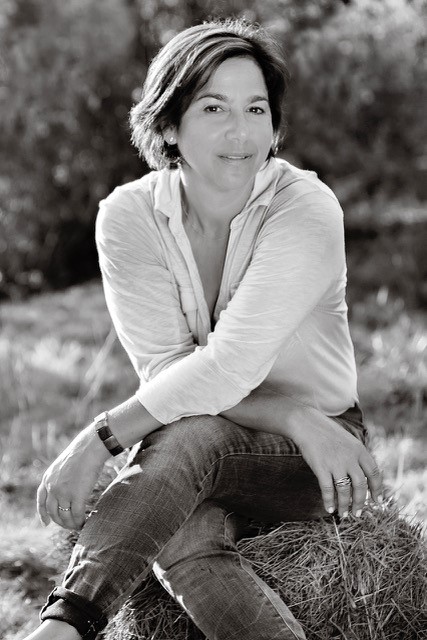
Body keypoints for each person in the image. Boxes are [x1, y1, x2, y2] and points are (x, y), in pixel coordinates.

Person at [24, 17, 382, 640]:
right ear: (168, 123)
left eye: (256, 108)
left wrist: (98, 440)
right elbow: (170, 375)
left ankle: (64, 626)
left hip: (318, 450)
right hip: (241, 433)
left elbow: (225, 369)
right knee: (180, 523)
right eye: (213, 107)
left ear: (275, 125)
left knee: (183, 443)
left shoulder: (305, 208)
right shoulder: (129, 217)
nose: (239, 132)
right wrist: (288, 411)